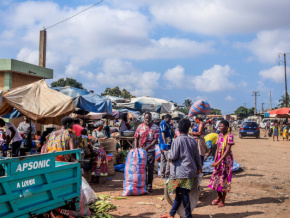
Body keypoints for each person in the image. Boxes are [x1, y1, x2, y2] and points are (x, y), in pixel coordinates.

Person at [160, 118, 202, 218]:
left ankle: (188, 215)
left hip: (179, 173)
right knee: (180, 194)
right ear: (188, 129)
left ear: (178, 129)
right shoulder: (193, 141)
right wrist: (199, 168)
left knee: (183, 194)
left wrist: (165, 153)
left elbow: (172, 156)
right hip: (190, 172)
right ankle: (171, 214)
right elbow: (197, 157)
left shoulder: (177, 141)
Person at [208, 120, 234, 208]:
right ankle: (219, 196)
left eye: (222, 126)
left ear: (227, 127)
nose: (220, 127)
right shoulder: (219, 136)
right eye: (219, 126)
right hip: (219, 159)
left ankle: (223, 199)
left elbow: (227, 150)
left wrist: (219, 161)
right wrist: (215, 161)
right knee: (216, 179)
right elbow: (217, 149)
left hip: (226, 161)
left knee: (225, 180)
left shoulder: (229, 136)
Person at [134, 112, 159, 192]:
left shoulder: (155, 127)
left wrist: (148, 147)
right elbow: (136, 137)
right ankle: (143, 184)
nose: (147, 119)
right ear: (143, 118)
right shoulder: (139, 127)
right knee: (142, 168)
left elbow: (155, 139)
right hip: (141, 151)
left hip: (150, 151)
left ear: (151, 118)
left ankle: (149, 185)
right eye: (146, 117)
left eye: (149, 118)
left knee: (150, 168)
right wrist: (135, 148)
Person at [159, 114, 172, 178]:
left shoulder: (166, 124)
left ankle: (165, 173)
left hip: (168, 144)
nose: (170, 120)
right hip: (165, 144)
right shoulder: (163, 123)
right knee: (165, 159)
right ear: (167, 118)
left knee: (166, 159)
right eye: (170, 119)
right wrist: (164, 142)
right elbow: (162, 132)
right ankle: (164, 174)